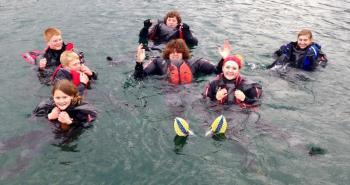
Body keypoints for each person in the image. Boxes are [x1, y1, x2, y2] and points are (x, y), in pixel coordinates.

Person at [133, 39, 222, 85]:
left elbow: (217, 71)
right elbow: (139, 77)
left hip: (190, 90)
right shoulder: (158, 62)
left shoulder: (195, 63)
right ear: (168, 53)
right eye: (172, 51)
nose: (175, 54)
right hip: (168, 90)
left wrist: (224, 59)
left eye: (178, 51)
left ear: (183, 53)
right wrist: (139, 62)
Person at [32, 79, 97, 131]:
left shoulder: (80, 108)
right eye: (57, 98)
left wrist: (70, 122)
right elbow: (33, 118)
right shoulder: (47, 105)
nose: (61, 101)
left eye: (65, 97)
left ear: (71, 96)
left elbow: (88, 124)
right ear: (53, 96)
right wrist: (49, 116)